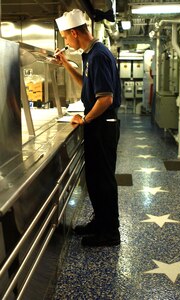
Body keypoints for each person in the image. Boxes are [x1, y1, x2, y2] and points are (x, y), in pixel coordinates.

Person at [55, 9, 121, 247]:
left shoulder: (99, 55)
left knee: (103, 179)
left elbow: (105, 99)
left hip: (103, 124)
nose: (66, 42)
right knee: (94, 178)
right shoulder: (89, 55)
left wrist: (85, 120)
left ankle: (111, 232)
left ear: (74, 32)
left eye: (65, 37)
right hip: (97, 123)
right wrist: (66, 65)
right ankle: (100, 222)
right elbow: (87, 85)